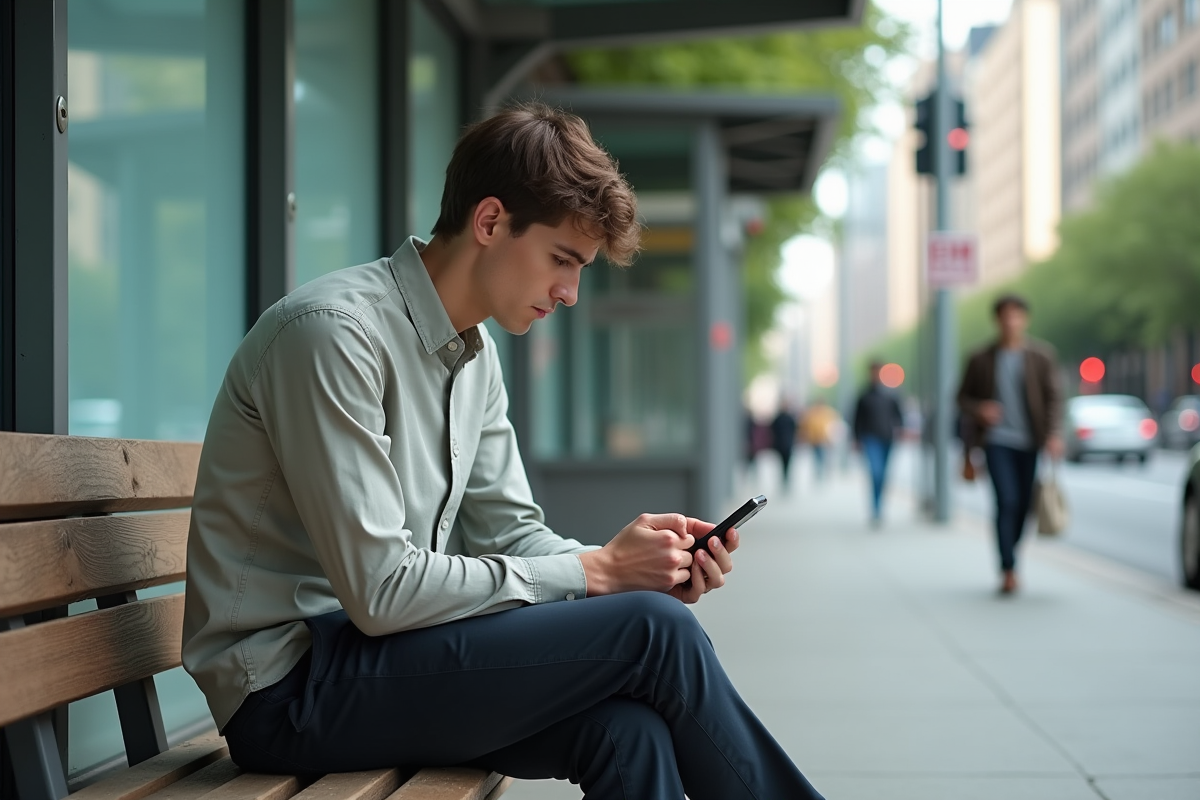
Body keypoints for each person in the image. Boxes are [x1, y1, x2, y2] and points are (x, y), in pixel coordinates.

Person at [182, 103, 824, 800]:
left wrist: (632, 570)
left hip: (382, 658)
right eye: (562, 260)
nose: (571, 293)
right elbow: (381, 590)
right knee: (654, 632)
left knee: (627, 729)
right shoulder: (334, 336)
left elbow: (512, 533)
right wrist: (598, 572)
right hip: (288, 690)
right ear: (490, 223)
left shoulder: (474, 354)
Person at [957, 293, 1063, 594]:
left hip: (1030, 442)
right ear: (997, 320)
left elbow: (1054, 398)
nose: (1010, 322)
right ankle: (1008, 568)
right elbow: (961, 398)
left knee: (1024, 505)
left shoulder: (1041, 356)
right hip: (995, 442)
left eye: (1016, 315)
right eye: (1005, 316)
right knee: (1007, 500)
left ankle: (1010, 553)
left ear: (1024, 319)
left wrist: (1054, 433)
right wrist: (981, 409)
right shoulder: (980, 358)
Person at [853, 362, 904, 526]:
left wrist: (901, 430)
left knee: (883, 475)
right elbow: (856, 418)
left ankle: (879, 506)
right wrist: (856, 439)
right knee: (876, 472)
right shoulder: (864, 395)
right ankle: (876, 509)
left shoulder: (891, 394)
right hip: (870, 438)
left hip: (887, 439)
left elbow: (899, 416)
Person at [801, 400, 839, 481]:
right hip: (814, 439)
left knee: (823, 456)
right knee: (817, 457)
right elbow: (806, 425)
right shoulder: (812, 413)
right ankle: (819, 471)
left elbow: (833, 426)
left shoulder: (828, 413)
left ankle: (822, 471)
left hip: (824, 440)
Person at [769, 403, 799, 490]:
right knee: (786, 463)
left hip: (782, 444)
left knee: (783, 463)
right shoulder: (789, 418)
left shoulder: (779, 418)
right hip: (786, 444)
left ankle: (784, 478)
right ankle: (785, 478)